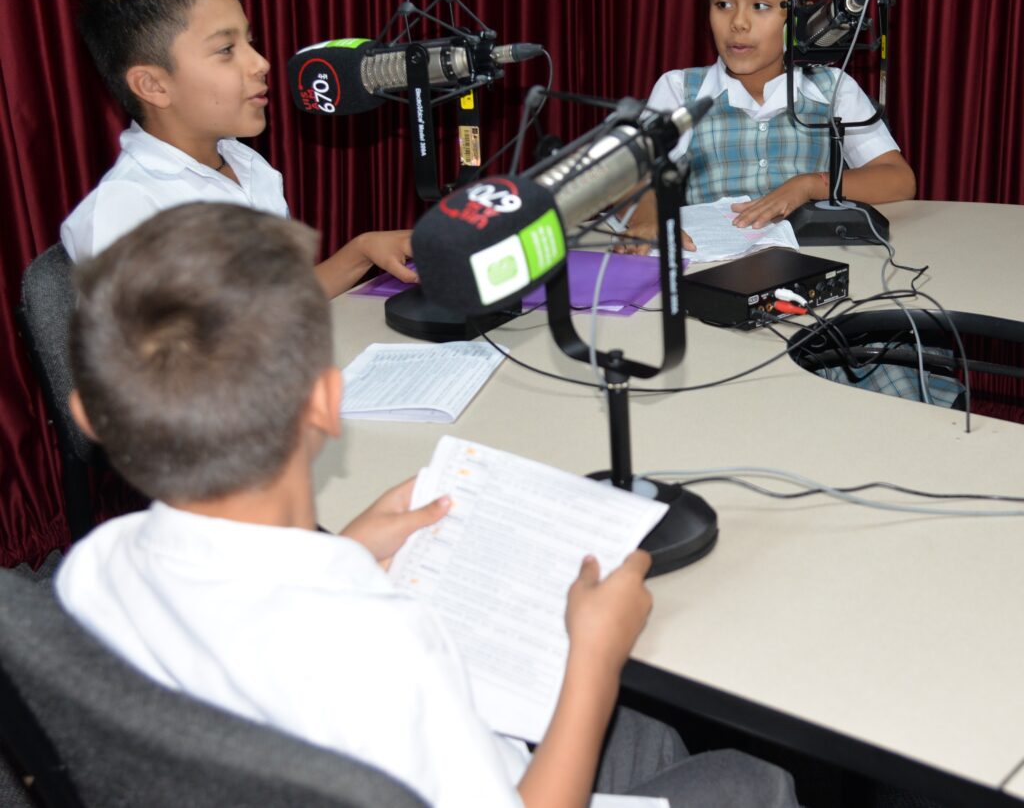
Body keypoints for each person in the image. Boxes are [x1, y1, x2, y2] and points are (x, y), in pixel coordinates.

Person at [55, 201, 801, 808]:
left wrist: (345, 546)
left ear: (88, 414)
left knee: (652, 740)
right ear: (325, 401)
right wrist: (594, 659)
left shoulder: (90, 569)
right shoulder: (381, 641)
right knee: (756, 781)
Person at [60, 0, 415, 298]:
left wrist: (362, 251)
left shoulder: (242, 161)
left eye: (250, 42)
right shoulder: (126, 213)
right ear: (154, 86)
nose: (260, 63)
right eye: (226, 49)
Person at [621, 0, 915, 254]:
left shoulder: (833, 87)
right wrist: (646, 220)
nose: (738, 23)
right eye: (723, 3)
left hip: (814, 261)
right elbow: (629, 181)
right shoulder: (680, 90)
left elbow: (899, 180)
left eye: (760, 6)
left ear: (803, 13)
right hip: (710, 269)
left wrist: (808, 185)